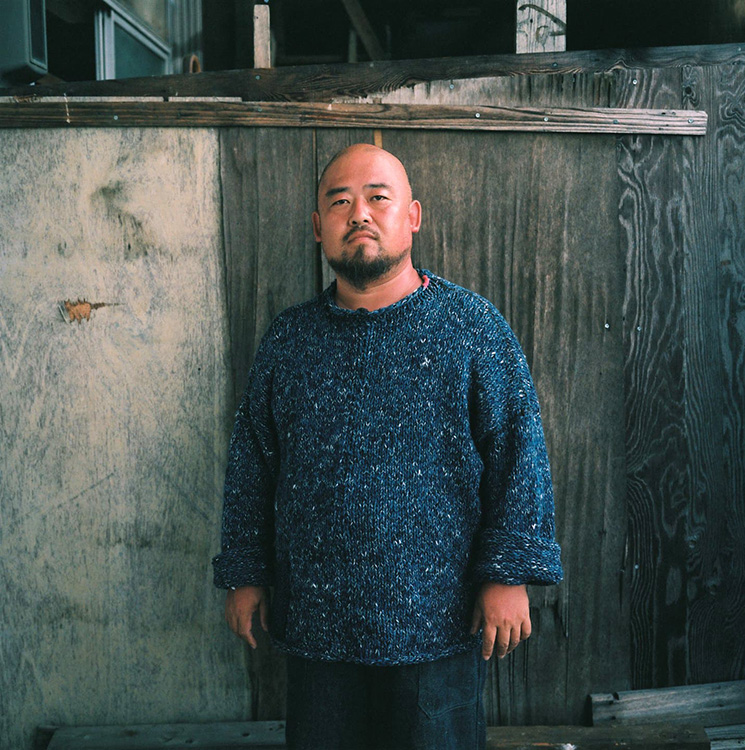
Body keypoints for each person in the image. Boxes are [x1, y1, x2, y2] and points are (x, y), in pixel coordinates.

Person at [212, 143, 563, 750]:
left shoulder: (471, 328)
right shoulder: (289, 341)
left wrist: (509, 574)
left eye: (378, 197)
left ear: (413, 216)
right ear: (317, 226)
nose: (359, 214)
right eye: (340, 202)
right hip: (318, 630)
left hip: (440, 628)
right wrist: (245, 570)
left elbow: (518, 451)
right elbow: (252, 464)